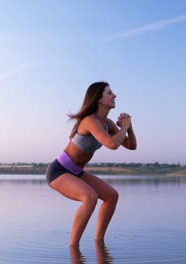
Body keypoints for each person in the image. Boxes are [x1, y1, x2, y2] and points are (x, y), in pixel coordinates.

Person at [46, 81, 137, 246]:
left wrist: (128, 128)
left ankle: (99, 242)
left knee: (111, 196)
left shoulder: (107, 123)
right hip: (59, 171)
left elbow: (131, 146)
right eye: (109, 93)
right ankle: (73, 248)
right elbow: (112, 144)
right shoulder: (90, 121)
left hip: (76, 172)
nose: (114, 95)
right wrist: (123, 127)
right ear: (98, 99)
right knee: (89, 197)